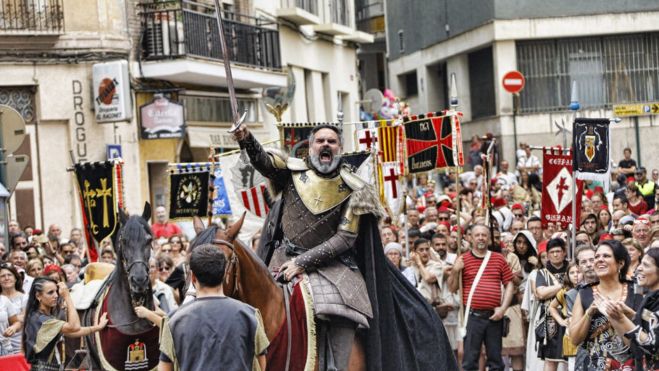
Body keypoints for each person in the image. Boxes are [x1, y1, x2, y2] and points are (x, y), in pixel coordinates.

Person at [235, 122, 457, 369]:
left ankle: (336, 366)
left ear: (340, 148)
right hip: (282, 259)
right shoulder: (290, 172)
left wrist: (302, 263)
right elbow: (264, 162)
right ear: (310, 147)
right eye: (320, 141)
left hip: (334, 267)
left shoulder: (354, 188)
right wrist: (246, 138)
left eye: (331, 141)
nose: (325, 145)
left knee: (341, 308)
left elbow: (345, 239)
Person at [159, 245, 268, 371]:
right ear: (224, 274)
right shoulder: (250, 315)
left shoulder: (173, 320)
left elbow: (165, 367)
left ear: (192, 277)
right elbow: (261, 365)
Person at [448, 224, 515, 371]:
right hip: (472, 316)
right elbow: (452, 288)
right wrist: (454, 270)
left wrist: (503, 309)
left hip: (494, 316)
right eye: (477, 235)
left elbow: (509, 284)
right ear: (470, 238)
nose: (481, 238)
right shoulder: (463, 259)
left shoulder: (498, 259)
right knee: (469, 360)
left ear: (489, 239)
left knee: (496, 361)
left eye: (484, 235)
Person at [569, 240, 643, 370]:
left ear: (620, 263)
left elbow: (643, 337)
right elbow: (574, 340)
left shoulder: (635, 291)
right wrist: (589, 313)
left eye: (606, 256)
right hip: (592, 365)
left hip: (629, 365)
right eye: (597, 257)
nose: (599, 260)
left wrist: (621, 315)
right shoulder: (585, 293)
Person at [22, 278, 108, 369]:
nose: (56, 295)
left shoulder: (38, 316)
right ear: (38, 296)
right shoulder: (41, 319)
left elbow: (73, 332)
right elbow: (74, 327)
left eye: (56, 291)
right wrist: (67, 297)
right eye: (50, 292)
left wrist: (98, 327)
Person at [606, 248, 659, 369]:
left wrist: (621, 318)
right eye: (640, 264)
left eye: (645, 265)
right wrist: (622, 315)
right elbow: (647, 328)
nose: (639, 268)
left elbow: (652, 346)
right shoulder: (650, 298)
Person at [534, 238, 569, 368]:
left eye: (558, 251)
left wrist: (552, 290)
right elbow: (541, 293)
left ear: (564, 252)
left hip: (571, 315)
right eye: (552, 252)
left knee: (569, 358)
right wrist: (564, 286)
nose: (555, 254)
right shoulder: (542, 272)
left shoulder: (572, 268)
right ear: (547, 254)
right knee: (550, 358)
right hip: (550, 319)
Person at [547, 262, 579, 369]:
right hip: (571, 332)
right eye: (572, 273)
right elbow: (552, 307)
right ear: (568, 276)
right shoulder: (564, 292)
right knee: (573, 365)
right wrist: (561, 321)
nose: (575, 275)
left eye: (578, 272)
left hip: (585, 330)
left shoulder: (589, 289)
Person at [0, 264, 26, 353]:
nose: (6, 278)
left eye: (9, 275)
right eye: (2, 276)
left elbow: (26, 320)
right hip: (4, 343)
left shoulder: (25, 297)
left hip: (21, 343)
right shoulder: (2, 299)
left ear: (15, 278)